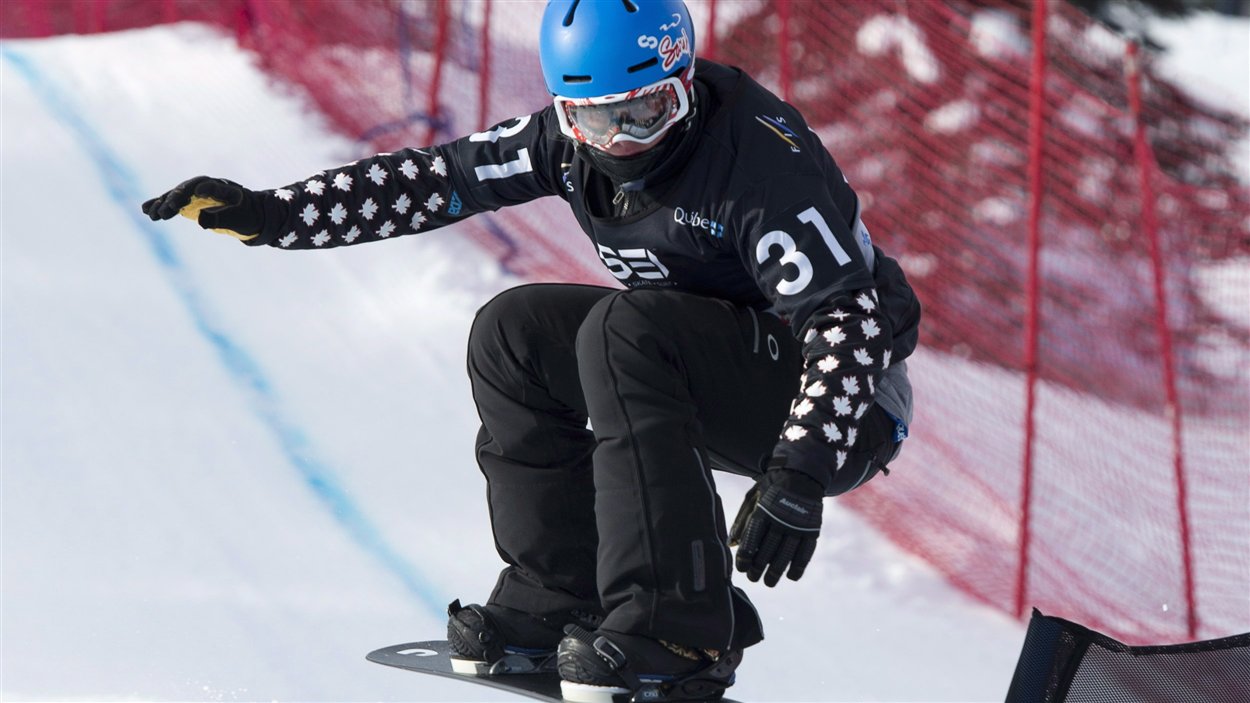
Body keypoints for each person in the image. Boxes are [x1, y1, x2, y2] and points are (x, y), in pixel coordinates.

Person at [142, 1, 921, 700]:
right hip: (709, 365)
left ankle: (679, 631)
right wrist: (273, 215)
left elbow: (848, 319)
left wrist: (799, 473)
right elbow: (437, 179)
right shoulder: (570, 146)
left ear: (684, 84)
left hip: (846, 399)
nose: (621, 142)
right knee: (513, 332)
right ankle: (561, 593)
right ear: (566, 112)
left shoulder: (754, 165)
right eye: (594, 119)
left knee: (630, 330)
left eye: (647, 111)